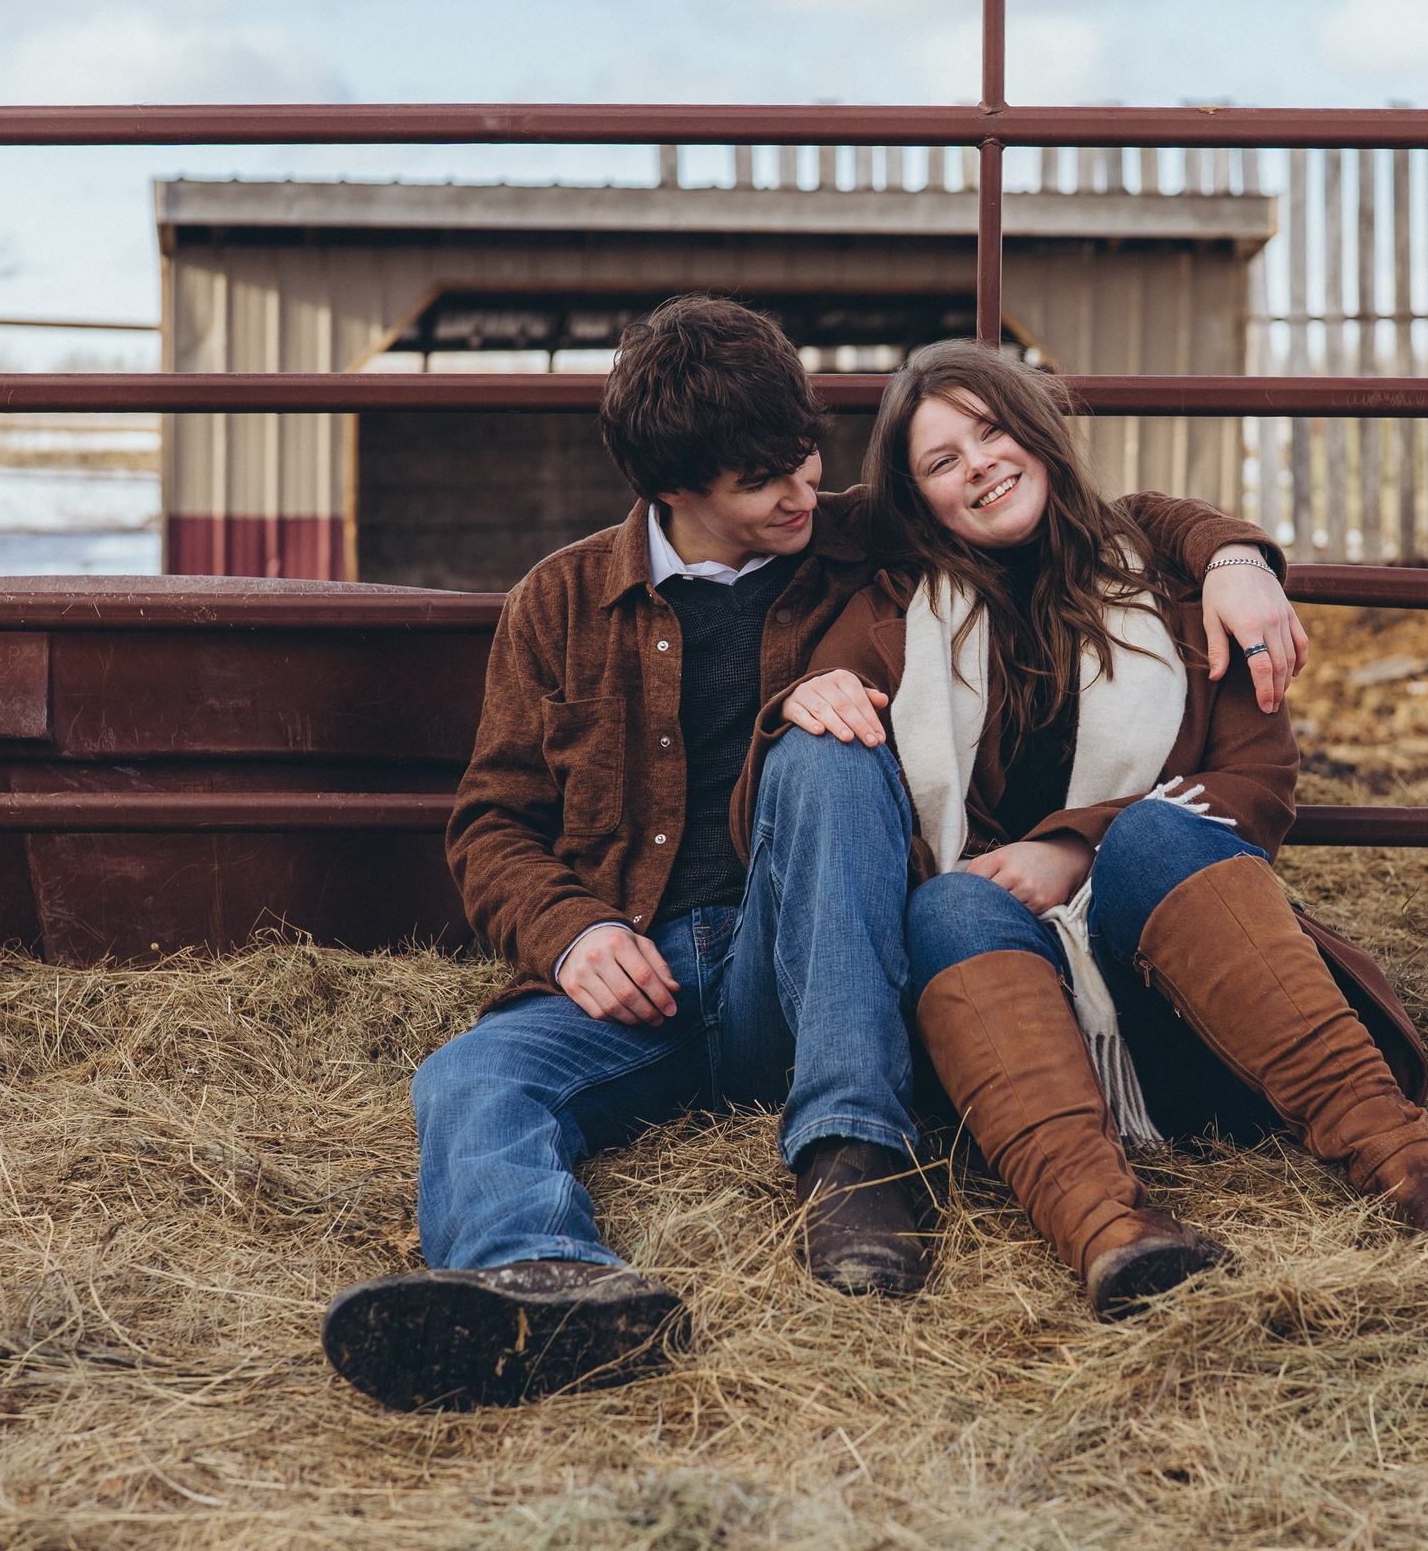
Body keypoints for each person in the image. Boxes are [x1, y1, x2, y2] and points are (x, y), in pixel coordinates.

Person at [321, 296, 1307, 1411]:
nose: (801, 494)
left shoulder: (861, 533)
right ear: (673, 493)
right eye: (762, 484)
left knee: (827, 748)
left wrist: (1233, 555)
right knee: (471, 1075)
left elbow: (1078, 505)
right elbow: (491, 824)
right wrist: (573, 931)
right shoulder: (558, 601)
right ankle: (545, 1285)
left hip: (809, 954)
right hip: (644, 974)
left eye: (805, 460)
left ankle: (852, 1151)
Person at [758, 339, 1428, 1321]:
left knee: (1157, 837)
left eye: (991, 431)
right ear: (920, 499)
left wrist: (1073, 847)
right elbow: (811, 826)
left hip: (1201, 1019)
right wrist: (808, 699)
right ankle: (1111, 1230)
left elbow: (1257, 785)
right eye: (942, 461)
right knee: (949, 904)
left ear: (1039, 430)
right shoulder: (891, 618)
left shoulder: (1171, 583)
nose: (977, 464)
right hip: (1009, 1044)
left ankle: (1414, 1165)